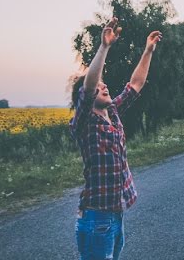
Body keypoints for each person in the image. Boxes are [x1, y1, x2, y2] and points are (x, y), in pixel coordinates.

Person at [69, 17, 162, 260]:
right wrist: (104, 46)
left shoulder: (112, 112)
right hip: (96, 217)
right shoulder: (84, 123)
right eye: (99, 87)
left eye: (104, 84)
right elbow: (88, 88)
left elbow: (136, 84)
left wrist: (148, 51)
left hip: (115, 214)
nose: (104, 87)